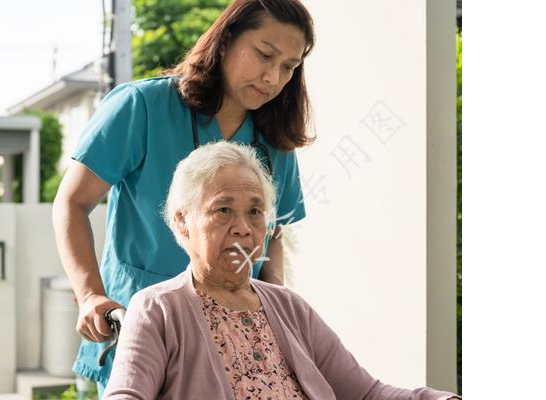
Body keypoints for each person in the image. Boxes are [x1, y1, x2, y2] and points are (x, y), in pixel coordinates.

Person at [52, 0, 315, 393]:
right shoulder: (142, 107)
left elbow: (273, 233)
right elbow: (72, 203)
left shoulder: (275, 140)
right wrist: (90, 293)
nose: (273, 77)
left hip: (235, 335)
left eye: (289, 67)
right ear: (225, 41)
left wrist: (275, 304)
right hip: (138, 325)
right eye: (265, 55)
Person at [103, 142, 461, 400]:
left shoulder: (290, 307)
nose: (243, 227)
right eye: (223, 210)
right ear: (183, 222)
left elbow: (365, 393)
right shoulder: (157, 309)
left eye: (255, 212)